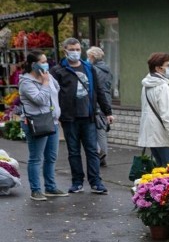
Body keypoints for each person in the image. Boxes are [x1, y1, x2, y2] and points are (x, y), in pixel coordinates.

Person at [50, 37, 112, 195]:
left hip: (88, 116)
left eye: (78, 49)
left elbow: (98, 90)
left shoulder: (89, 68)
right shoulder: (58, 71)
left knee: (92, 150)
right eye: (72, 50)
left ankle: (96, 182)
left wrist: (108, 111)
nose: (75, 52)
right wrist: (55, 114)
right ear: (65, 50)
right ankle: (77, 182)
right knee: (74, 151)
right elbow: (52, 94)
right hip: (69, 118)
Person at [18, 51, 67, 201]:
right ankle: (36, 190)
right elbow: (40, 100)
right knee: (36, 158)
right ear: (34, 64)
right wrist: (45, 84)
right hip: (36, 123)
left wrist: (47, 82)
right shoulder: (26, 82)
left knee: (51, 157)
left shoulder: (48, 75)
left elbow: (56, 89)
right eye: (43, 61)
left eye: (47, 61)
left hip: (52, 121)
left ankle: (50, 187)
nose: (46, 64)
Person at [138, 52, 169, 167]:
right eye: (167, 65)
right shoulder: (163, 87)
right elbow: (167, 116)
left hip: (151, 135)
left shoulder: (146, 86)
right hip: (163, 136)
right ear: (158, 68)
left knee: (159, 171)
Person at [87, 46, 113, 167]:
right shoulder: (107, 69)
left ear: (92, 57)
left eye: (88, 57)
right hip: (106, 100)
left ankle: (101, 153)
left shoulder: (93, 70)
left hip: (97, 102)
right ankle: (102, 154)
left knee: (98, 129)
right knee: (102, 128)